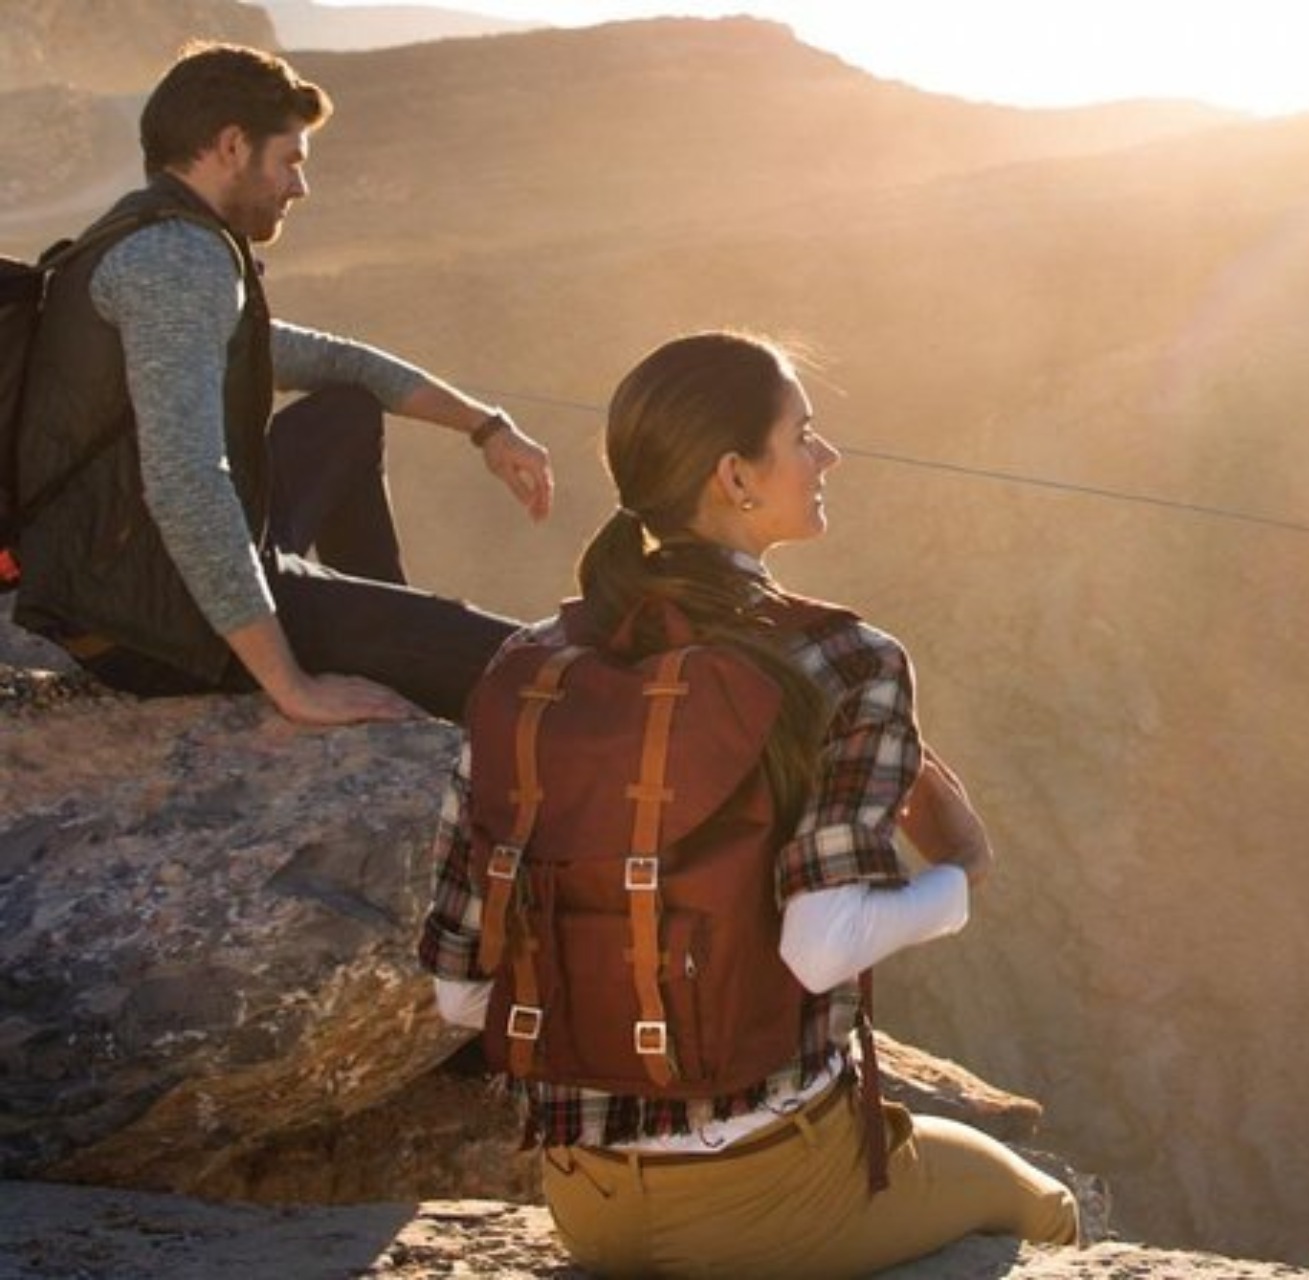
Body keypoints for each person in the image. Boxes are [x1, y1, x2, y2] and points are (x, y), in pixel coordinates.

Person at [418, 331, 1079, 1278]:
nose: (826, 457)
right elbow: (822, 945)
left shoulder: (530, 665)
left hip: (583, 1200)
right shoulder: (845, 662)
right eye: (803, 435)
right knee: (1040, 1207)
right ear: (735, 476)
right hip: (769, 1201)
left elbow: (460, 993)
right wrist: (958, 874)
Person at [11, 42, 554, 725]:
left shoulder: (149, 231)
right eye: (291, 161)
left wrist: (486, 427)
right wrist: (292, 686)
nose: (300, 187)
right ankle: (372, 643)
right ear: (233, 146)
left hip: (132, 566)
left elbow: (332, 362)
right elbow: (185, 486)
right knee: (519, 664)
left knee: (346, 411)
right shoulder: (175, 262)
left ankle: (376, 618)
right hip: (150, 619)